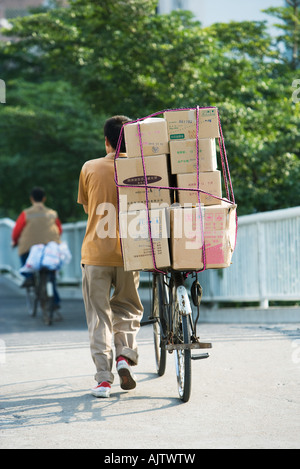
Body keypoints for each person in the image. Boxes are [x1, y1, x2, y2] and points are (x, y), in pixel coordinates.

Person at [77, 115, 144, 398]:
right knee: (127, 309)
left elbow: (87, 208)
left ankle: (104, 380)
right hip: (131, 252)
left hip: (96, 254)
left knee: (99, 317)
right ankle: (123, 358)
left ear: (106, 140)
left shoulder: (90, 168)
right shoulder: (142, 168)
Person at [11, 186, 63, 307]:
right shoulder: (52, 213)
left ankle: (29, 277)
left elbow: (17, 231)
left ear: (31, 199)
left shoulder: (26, 213)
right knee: (50, 273)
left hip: (29, 246)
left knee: (25, 258)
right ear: (44, 198)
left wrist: (14, 242)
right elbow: (59, 229)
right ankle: (54, 300)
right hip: (49, 246)